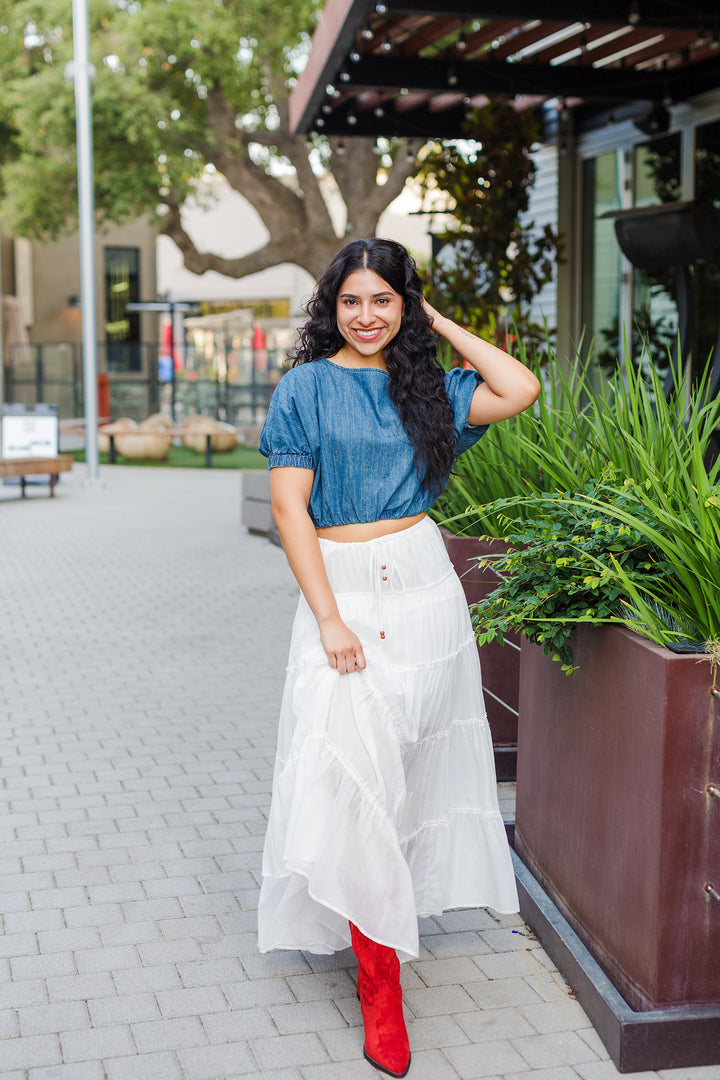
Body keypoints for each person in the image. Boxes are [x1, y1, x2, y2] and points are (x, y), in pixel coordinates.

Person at [257, 238, 541, 1078]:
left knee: (406, 771)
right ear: (331, 307)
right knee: (353, 774)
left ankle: (382, 928)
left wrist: (437, 320)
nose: (368, 315)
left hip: (424, 590)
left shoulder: (432, 391)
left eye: (385, 299)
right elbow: (288, 510)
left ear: (403, 306)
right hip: (342, 593)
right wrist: (329, 616)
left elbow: (518, 387)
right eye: (353, 300)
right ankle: (380, 989)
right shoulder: (305, 387)